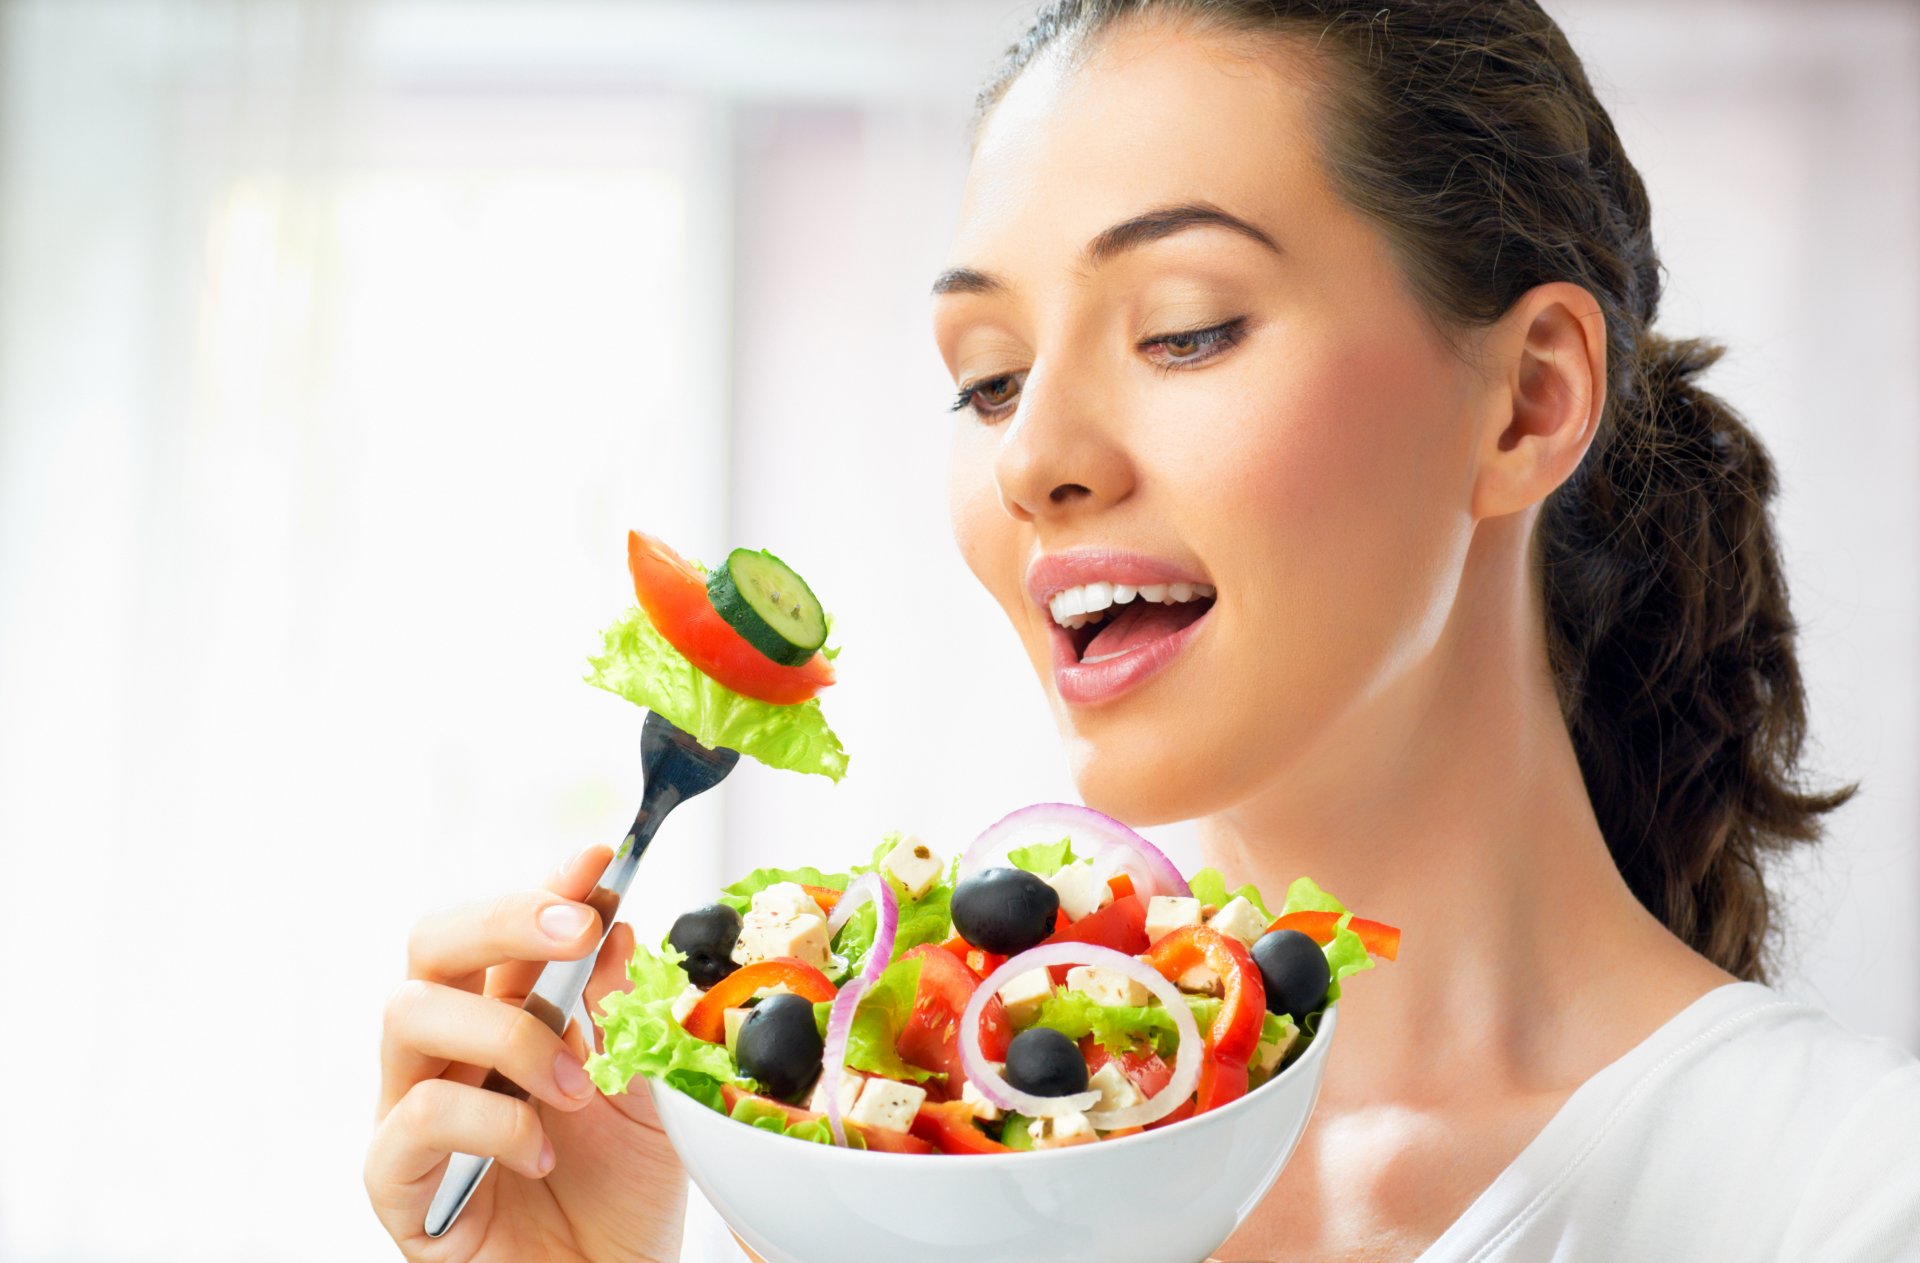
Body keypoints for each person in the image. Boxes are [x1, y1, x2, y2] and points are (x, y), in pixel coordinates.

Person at [365, 2, 1920, 1258]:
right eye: (985, 376)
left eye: (1185, 328)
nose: (1033, 454)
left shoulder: (1846, 1200)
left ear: (1527, 401)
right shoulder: (874, 1165)